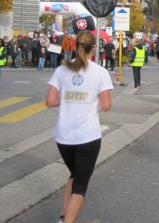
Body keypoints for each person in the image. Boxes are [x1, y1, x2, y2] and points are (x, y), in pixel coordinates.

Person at [46, 30, 112, 223]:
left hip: (63, 137)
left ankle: (62, 217)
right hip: (87, 137)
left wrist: (67, 99)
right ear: (94, 48)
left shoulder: (61, 69)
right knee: (81, 186)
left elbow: (50, 101)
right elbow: (106, 106)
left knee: (74, 175)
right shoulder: (100, 72)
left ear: (75, 46)